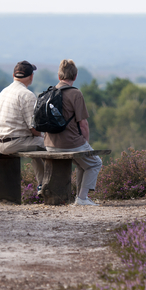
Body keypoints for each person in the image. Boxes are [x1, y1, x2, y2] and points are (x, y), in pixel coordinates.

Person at [44, 59, 102, 206]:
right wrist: (85, 143)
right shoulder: (76, 94)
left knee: (84, 163)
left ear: (59, 76)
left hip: (49, 144)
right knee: (95, 163)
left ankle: (81, 198)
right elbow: (83, 124)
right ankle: (82, 198)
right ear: (75, 77)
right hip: (70, 143)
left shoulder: (49, 92)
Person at [0, 61, 45, 193]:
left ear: (13, 75)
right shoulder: (27, 95)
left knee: (37, 145)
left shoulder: (4, 91)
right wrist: (45, 135)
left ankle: (43, 184)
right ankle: (45, 185)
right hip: (14, 143)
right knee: (49, 144)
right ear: (31, 76)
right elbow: (34, 128)